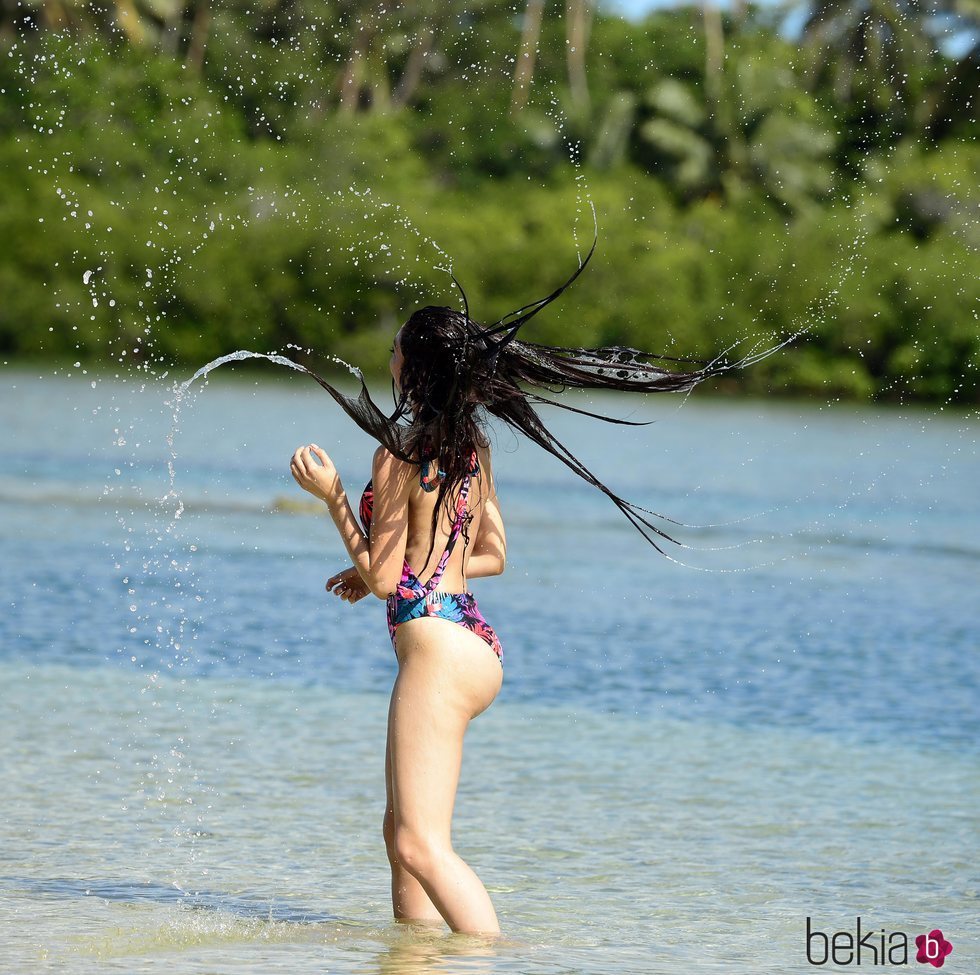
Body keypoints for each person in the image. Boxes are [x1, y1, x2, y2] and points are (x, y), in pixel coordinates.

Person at [287, 244, 790, 934]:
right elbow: (490, 551)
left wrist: (334, 497)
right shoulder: (472, 448)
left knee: (418, 844)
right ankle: (417, 957)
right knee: (400, 834)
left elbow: (382, 580)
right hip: (472, 639)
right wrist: (392, 562)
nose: (393, 355)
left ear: (415, 365)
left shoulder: (398, 451)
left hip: (435, 647)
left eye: (400, 345)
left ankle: (489, 954)